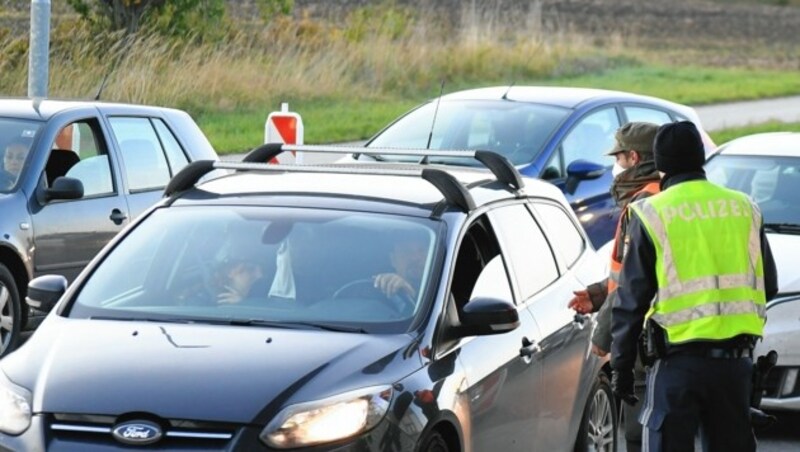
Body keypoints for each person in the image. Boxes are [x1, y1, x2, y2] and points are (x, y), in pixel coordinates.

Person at [610, 121, 778, 452]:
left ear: (659, 164)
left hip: (676, 366)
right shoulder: (745, 207)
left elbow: (631, 302)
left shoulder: (650, 213)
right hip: (735, 366)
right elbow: (768, 285)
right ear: (701, 159)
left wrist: (622, 368)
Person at [567, 121, 660, 452]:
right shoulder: (660, 198)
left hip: (642, 334)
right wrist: (596, 295)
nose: (615, 167)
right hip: (664, 333)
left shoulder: (644, 208)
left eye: (618, 158)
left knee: (640, 433)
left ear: (633, 157)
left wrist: (603, 336)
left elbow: (631, 285)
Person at [373, 231, 428, 301]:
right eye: (406, 251)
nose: (415, 258)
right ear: (393, 260)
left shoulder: (443, 289)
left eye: (422, 251)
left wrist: (411, 296)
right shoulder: (377, 295)